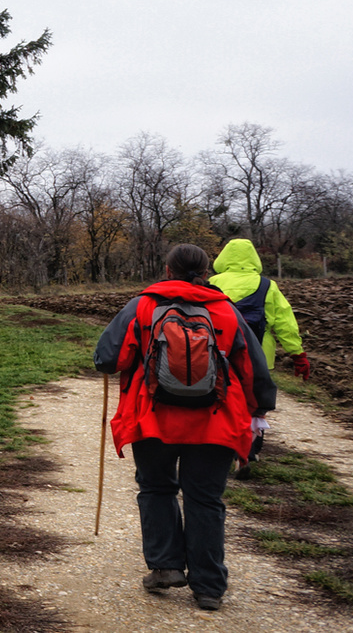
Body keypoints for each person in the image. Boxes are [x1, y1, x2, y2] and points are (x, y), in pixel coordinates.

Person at [94, 243, 276, 612]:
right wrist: (259, 412)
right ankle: (208, 588)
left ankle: (165, 567)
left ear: (166, 269)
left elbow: (108, 359)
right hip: (216, 423)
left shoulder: (143, 305)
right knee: (205, 499)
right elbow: (253, 368)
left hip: (153, 419)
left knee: (157, 488)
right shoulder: (225, 310)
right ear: (207, 271)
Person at [208, 238, 310, 473]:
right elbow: (285, 323)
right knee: (255, 404)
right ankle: (249, 451)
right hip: (258, 357)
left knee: (222, 399)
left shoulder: (212, 283)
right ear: (253, 258)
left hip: (219, 353)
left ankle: (223, 447)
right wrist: (297, 354)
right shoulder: (267, 286)